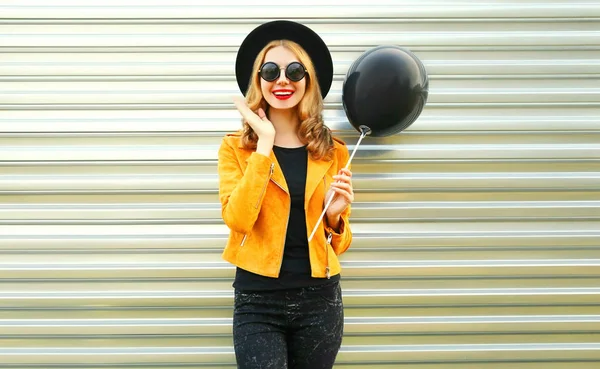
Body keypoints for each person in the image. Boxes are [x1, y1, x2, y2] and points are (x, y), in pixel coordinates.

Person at [217, 20, 354, 369]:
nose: (282, 80)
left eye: (295, 70)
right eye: (270, 70)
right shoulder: (237, 147)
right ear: (258, 79)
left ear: (308, 81)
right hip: (258, 299)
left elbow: (338, 244)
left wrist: (335, 216)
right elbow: (238, 219)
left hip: (320, 300)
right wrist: (264, 143)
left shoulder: (332, 148)